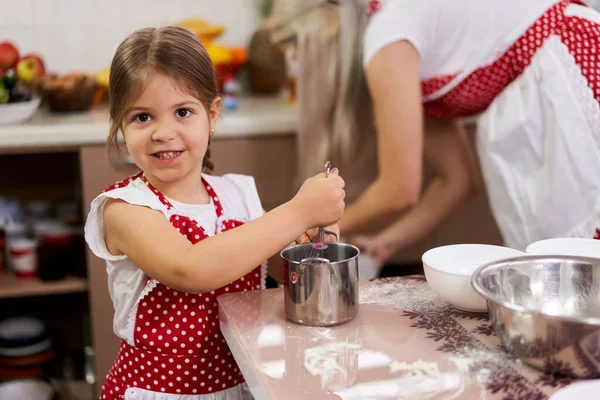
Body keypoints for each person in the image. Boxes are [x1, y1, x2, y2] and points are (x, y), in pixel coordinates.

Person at [83, 26, 345, 400]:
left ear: (212, 114)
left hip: (243, 386)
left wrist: (318, 232)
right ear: (120, 126)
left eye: (183, 112)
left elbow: (287, 267)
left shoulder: (237, 194)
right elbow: (192, 269)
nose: (163, 132)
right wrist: (298, 211)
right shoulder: (125, 209)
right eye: (142, 117)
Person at [272, 0, 600, 261]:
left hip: (571, 76)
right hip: (550, 98)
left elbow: (398, 190)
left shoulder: (388, 37)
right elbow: (456, 181)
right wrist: (383, 244)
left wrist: (313, 224)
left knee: (579, 265)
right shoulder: (406, 45)